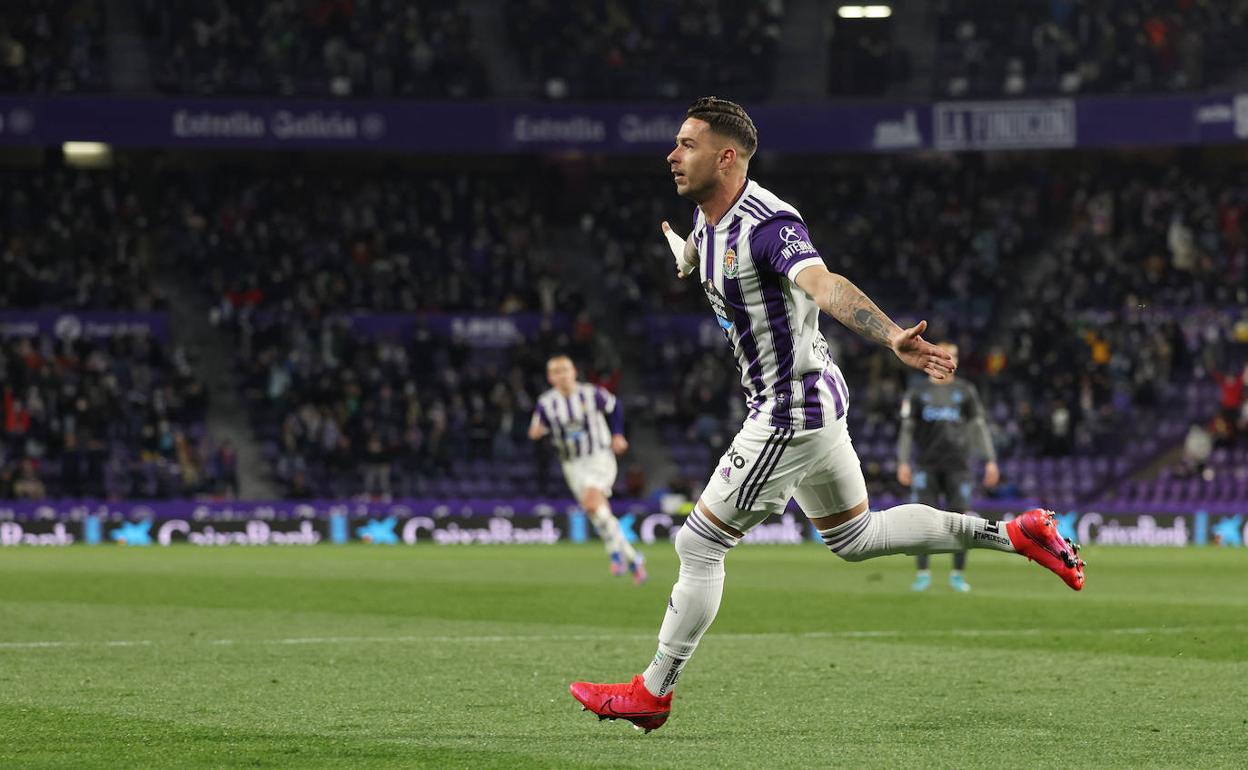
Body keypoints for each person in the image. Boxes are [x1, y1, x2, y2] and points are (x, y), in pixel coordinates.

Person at [569, 97, 1084, 734]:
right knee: (855, 537)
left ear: (726, 157)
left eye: (687, 144)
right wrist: (687, 260)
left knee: (697, 543)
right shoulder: (706, 224)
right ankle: (1013, 534)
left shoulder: (768, 224)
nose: (672, 155)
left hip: (790, 410)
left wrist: (890, 333)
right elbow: (725, 272)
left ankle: (653, 691)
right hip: (818, 401)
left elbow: (822, 283)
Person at [529, 354, 645, 584]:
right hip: (571, 465)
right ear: (550, 377)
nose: (562, 375)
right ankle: (631, 557)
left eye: (565, 370)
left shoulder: (591, 394)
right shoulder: (546, 403)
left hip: (598, 456)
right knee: (597, 512)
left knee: (592, 502)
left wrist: (618, 434)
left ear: (573, 372)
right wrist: (536, 432)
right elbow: (536, 427)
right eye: (556, 371)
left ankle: (615, 554)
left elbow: (615, 407)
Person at [896, 342, 1000, 593]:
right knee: (922, 520)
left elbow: (978, 427)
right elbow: (907, 430)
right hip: (926, 465)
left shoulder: (965, 391)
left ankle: (957, 574)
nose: (948, 359)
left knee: (960, 521)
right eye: (943, 355)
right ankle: (923, 573)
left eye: (952, 355)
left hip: (959, 466)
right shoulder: (917, 393)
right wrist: (902, 461)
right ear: (933, 359)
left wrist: (990, 460)